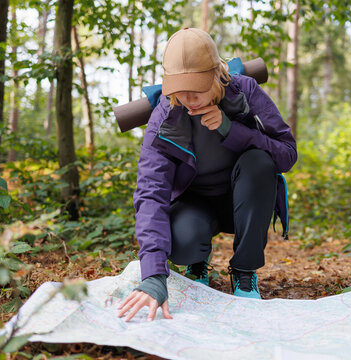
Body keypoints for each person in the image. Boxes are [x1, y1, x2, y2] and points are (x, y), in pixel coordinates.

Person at [118, 28, 297, 322]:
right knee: (185, 241)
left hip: (241, 201)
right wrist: (153, 275)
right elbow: (151, 192)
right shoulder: (164, 116)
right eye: (179, 89)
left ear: (216, 75)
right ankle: (198, 260)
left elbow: (287, 154)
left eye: (197, 88)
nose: (188, 99)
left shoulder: (245, 91)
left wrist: (231, 129)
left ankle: (244, 271)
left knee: (259, 164)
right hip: (194, 205)